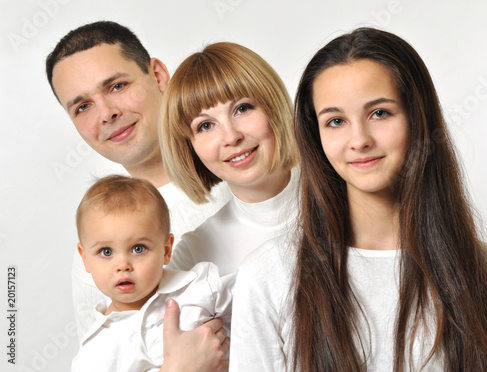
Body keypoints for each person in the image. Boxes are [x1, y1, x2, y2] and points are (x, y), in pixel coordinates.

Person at [229, 27, 487, 371]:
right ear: (317, 137)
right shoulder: (270, 276)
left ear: (418, 118)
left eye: (379, 113)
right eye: (336, 121)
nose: (358, 140)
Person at [45, 21, 231, 340]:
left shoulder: (245, 163)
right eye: (82, 106)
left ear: (158, 76)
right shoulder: (101, 246)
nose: (106, 114)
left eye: (117, 86)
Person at [160, 42, 299, 275]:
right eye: (205, 126)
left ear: (273, 107)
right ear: (189, 148)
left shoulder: (351, 193)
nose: (231, 137)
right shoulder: (193, 256)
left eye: (242, 109)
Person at [72, 175, 233, 372]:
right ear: (85, 258)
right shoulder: (94, 353)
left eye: (138, 249)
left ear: (166, 251)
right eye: (106, 252)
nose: (123, 265)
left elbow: (262, 298)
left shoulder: (198, 288)